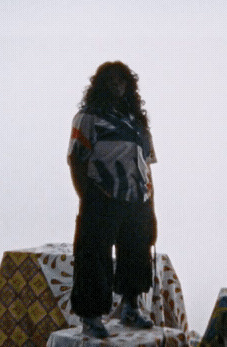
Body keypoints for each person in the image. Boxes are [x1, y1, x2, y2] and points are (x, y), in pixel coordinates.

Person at [67, 61, 157, 338]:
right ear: (99, 85)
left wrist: (151, 207)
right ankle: (91, 317)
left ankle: (131, 308)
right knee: (94, 256)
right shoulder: (88, 117)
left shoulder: (137, 123)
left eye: (121, 80)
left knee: (136, 253)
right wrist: (89, 197)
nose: (116, 85)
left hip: (137, 199)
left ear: (129, 86)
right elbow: (75, 159)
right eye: (109, 81)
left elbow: (146, 165)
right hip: (102, 197)